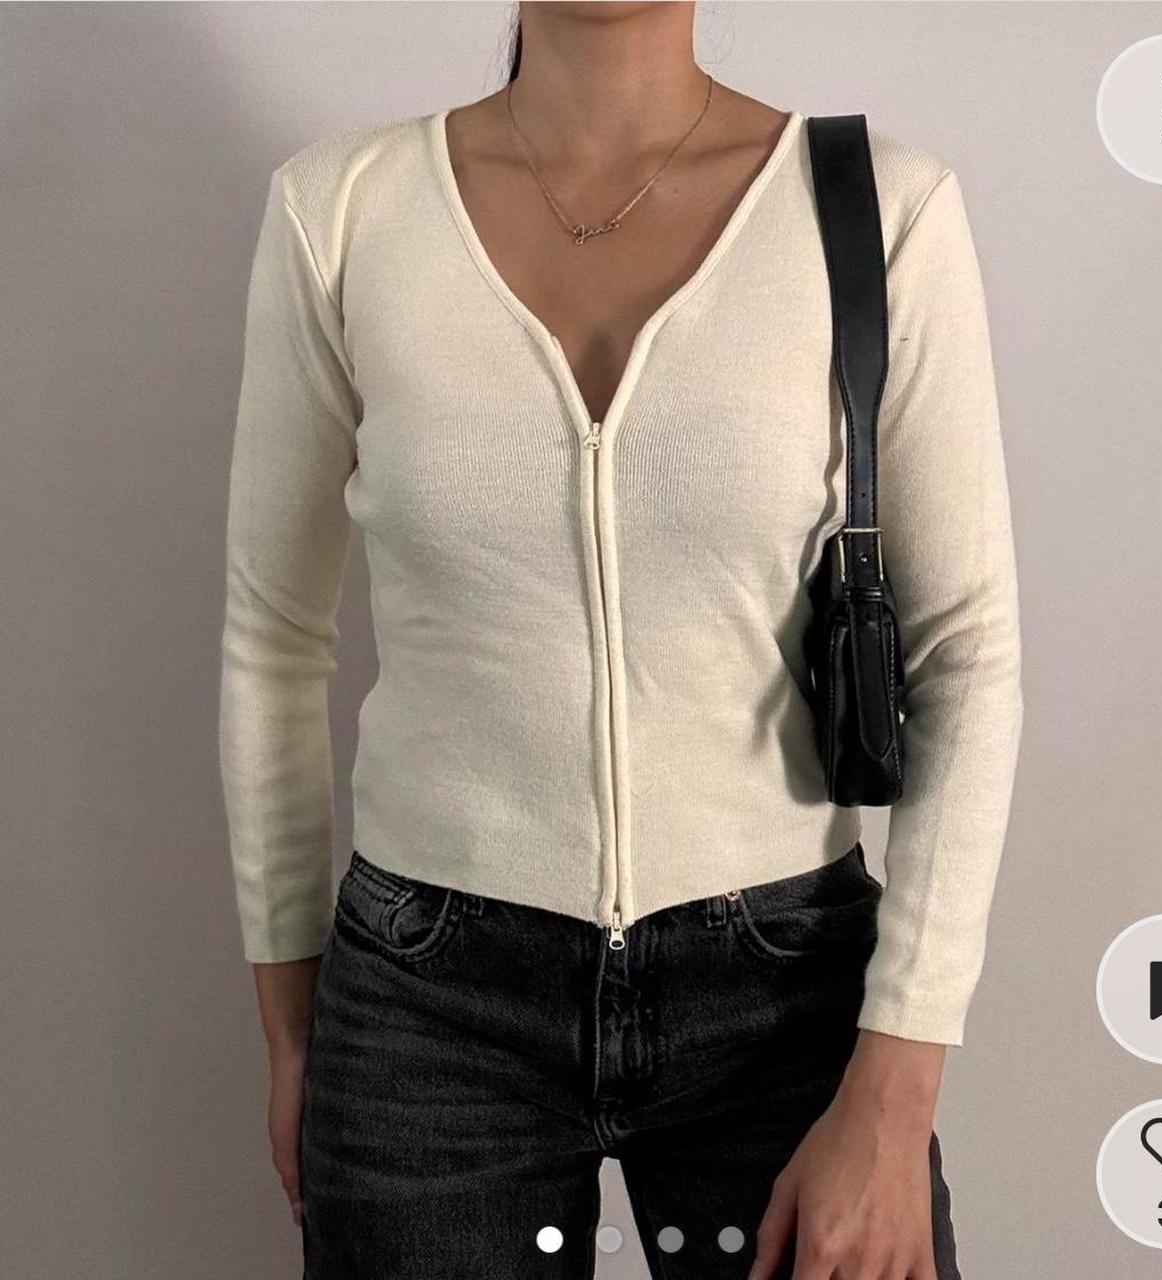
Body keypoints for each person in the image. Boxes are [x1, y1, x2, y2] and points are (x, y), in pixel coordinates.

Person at [218, 3, 1023, 1277]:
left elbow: (962, 652)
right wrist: (293, 1030)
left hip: (782, 989)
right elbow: (272, 638)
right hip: (426, 1004)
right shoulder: (343, 210)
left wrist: (896, 1087)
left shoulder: (878, 208)